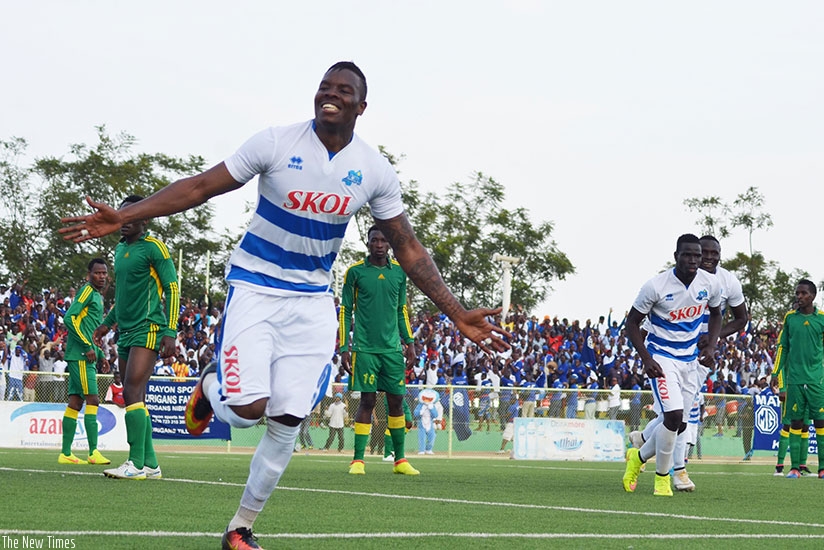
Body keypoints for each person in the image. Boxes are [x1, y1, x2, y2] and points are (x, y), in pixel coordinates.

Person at [60, 61, 507, 549]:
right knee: (247, 410)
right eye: (324, 86)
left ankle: (240, 528)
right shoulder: (275, 143)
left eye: (343, 90)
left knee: (289, 420)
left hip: (312, 301)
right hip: (255, 288)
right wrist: (127, 214)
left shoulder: (374, 170)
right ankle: (210, 385)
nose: (330, 94)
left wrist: (456, 311)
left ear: (362, 106)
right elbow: (200, 187)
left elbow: (408, 247)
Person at [622, 234, 721, 497]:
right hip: (662, 357)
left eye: (697, 255)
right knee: (674, 416)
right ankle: (662, 479)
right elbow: (632, 323)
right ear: (676, 256)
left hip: (689, 360)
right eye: (687, 255)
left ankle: (637, 458)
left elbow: (717, 314)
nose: (693, 260)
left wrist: (711, 346)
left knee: (680, 424)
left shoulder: (709, 283)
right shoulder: (655, 286)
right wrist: (646, 358)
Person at [91, 195, 179, 481]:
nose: (123, 222)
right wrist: (106, 324)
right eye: (121, 216)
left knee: (131, 391)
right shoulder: (120, 250)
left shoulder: (154, 248)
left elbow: (172, 288)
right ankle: (150, 463)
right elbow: (123, 295)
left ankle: (135, 463)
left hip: (149, 327)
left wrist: (171, 331)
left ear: (145, 218)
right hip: (126, 331)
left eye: (130, 216)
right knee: (136, 395)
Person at [339, 225, 419, 475]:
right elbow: (345, 310)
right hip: (364, 349)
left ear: (390, 244)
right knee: (367, 400)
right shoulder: (355, 272)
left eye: (384, 240)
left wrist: (410, 342)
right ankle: (358, 461)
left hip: (392, 350)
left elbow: (401, 310)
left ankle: (400, 460)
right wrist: (344, 346)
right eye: (375, 240)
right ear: (368, 243)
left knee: (396, 402)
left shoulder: (399, 273)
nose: (379, 245)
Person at [59, 258, 112, 466]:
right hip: (81, 355)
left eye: (104, 273)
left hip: (85, 354)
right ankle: (93, 452)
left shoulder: (97, 296)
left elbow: (89, 329)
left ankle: (65, 453)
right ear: (89, 275)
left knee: (75, 402)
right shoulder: (87, 291)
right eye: (97, 273)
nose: (101, 276)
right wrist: (87, 347)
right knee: (93, 400)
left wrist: (100, 354)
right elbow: (69, 318)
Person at [772, 279, 824, 479]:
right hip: (794, 380)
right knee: (795, 422)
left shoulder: (821, 319)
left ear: (813, 296)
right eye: (797, 293)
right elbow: (783, 347)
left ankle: (822, 468)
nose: (799, 296)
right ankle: (794, 468)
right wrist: (776, 372)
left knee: (820, 423)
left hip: (817, 380)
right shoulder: (790, 318)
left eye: (803, 293)